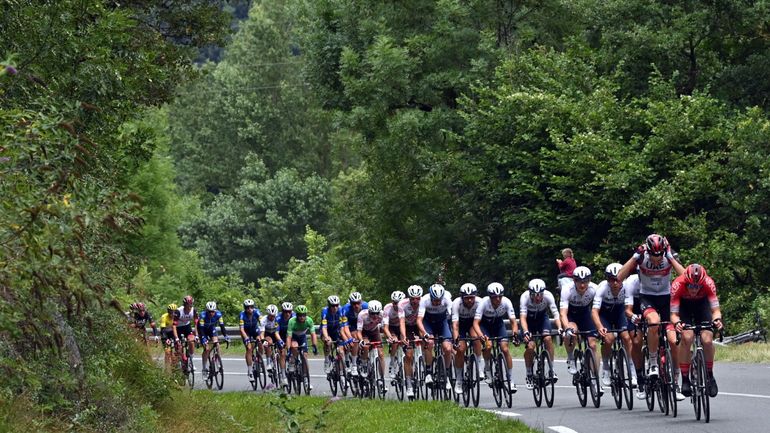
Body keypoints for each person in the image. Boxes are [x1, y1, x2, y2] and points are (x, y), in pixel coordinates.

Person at [617, 234, 686, 401]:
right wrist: (635, 257)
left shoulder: (668, 257)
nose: (656, 260)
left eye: (660, 255)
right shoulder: (641, 258)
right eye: (653, 256)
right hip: (647, 298)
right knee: (653, 323)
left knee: (673, 340)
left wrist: (670, 257)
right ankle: (653, 362)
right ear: (648, 251)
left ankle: (676, 382)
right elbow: (619, 277)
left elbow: (685, 277)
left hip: (666, 298)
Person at [671, 264, 723, 398]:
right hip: (684, 307)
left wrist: (717, 320)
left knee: (707, 339)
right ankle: (685, 379)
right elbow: (674, 314)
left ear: (702, 283)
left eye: (697, 286)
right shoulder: (677, 285)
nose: (693, 289)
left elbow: (715, 310)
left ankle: (710, 376)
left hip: (702, 305)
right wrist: (677, 323)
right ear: (685, 282)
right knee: (687, 338)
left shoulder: (708, 283)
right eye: (690, 286)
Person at [591, 263, 636, 388]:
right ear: (607, 279)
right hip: (605, 315)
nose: (615, 283)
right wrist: (600, 327)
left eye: (618, 279)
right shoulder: (602, 288)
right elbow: (594, 311)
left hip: (620, 312)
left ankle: (632, 371)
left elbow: (630, 308)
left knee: (627, 338)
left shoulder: (627, 287)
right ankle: (606, 367)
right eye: (611, 279)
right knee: (609, 338)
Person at [473, 282, 519, 393]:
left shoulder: (506, 302)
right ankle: (487, 368)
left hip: (498, 325)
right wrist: (481, 336)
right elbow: (475, 323)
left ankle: (510, 379)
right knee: (488, 346)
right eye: (494, 297)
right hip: (485, 326)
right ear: (490, 297)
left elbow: (513, 322)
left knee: (505, 349)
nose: (497, 299)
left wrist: (515, 335)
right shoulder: (484, 303)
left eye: (500, 296)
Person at [520, 278, 561, 390]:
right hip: (529, 321)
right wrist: (526, 331)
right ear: (530, 293)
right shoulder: (524, 297)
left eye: (540, 295)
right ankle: (529, 374)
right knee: (530, 346)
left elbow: (556, 314)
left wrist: (560, 327)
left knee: (547, 339)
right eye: (534, 295)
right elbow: (522, 318)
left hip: (542, 318)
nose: (537, 298)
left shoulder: (548, 295)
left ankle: (551, 370)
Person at [560, 266, 599, 379]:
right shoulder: (567, 289)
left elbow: (598, 309)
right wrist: (567, 328)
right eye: (579, 282)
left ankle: (595, 377)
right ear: (574, 280)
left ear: (589, 280)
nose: (582, 285)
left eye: (585, 282)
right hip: (571, 315)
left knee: (592, 344)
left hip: (585, 314)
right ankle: (571, 357)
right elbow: (563, 313)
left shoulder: (594, 289)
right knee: (572, 332)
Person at [417, 284, 454, 391]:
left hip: (442, 323)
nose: (437, 303)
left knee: (447, 348)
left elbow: (453, 318)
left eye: (439, 300)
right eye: (435, 300)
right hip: (428, 323)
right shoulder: (425, 300)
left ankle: (446, 374)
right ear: (431, 297)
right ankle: (428, 372)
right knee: (430, 342)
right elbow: (419, 320)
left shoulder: (447, 299)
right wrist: (424, 333)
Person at [451, 283, 483, 394]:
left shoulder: (480, 302)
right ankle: (459, 380)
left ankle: (479, 365)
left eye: (471, 298)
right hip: (460, 325)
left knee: (476, 338)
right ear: (462, 298)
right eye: (467, 298)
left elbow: (478, 323)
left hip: (473, 324)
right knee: (460, 349)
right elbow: (455, 325)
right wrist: (456, 340)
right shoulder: (456, 303)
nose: (469, 300)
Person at [285, 305, 318, 390]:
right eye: (300, 315)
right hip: (294, 337)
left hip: (302, 337)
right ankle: (292, 362)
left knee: (305, 356)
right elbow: (288, 337)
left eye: (304, 315)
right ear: (297, 315)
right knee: (294, 347)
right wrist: (289, 350)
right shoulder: (292, 321)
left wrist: (315, 345)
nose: (302, 317)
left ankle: (306, 379)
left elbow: (313, 334)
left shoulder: (309, 320)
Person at [356, 300, 386, 390]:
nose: (375, 316)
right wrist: (361, 340)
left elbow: (385, 328)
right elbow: (358, 332)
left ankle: (381, 379)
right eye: (372, 313)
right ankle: (364, 364)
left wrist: (388, 337)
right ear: (368, 311)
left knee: (381, 354)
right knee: (365, 346)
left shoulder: (382, 314)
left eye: (377, 313)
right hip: (364, 332)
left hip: (374, 332)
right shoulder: (362, 315)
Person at [399, 285, 423, 398]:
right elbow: (402, 322)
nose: (415, 301)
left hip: (418, 326)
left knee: (427, 343)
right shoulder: (402, 305)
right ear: (409, 298)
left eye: (417, 298)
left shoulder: (424, 303)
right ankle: (408, 384)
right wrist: (403, 336)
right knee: (408, 355)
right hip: (407, 327)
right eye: (412, 298)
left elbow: (424, 321)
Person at [340, 292, 368, 376]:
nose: (356, 305)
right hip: (351, 325)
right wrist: (349, 338)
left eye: (358, 303)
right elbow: (345, 327)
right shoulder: (346, 309)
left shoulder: (366, 306)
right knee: (354, 339)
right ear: (350, 303)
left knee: (365, 341)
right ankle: (354, 365)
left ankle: (364, 359)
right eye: (353, 303)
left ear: (361, 302)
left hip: (362, 325)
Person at [198, 301, 230, 375]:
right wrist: (203, 338)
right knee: (207, 349)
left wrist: (225, 336)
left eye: (212, 312)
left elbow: (222, 326)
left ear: (215, 311)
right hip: (203, 330)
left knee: (217, 344)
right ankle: (204, 367)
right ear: (206, 311)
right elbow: (201, 329)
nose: (211, 313)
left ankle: (218, 361)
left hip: (211, 329)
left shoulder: (218, 314)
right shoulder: (202, 316)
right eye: (209, 312)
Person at [320, 295, 346, 374]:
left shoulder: (341, 310)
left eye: (336, 305)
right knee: (328, 342)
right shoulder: (325, 311)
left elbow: (343, 326)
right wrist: (326, 337)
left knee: (341, 352)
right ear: (329, 305)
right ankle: (327, 360)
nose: (335, 307)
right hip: (327, 331)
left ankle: (342, 373)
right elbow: (324, 327)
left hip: (336, 331)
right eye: (333, 306)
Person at [383, 291, 406, 378]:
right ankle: (392, 363)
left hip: (402, 327)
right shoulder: (387, 308)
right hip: (391, 328)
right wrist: (390, 337)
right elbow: (385, 327)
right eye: (395, 303)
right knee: (395, 342)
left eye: (399, 303)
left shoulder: (406, 308)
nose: (396, 305)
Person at [258, 304, 284, 375]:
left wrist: (280, 341)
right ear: (267, 314)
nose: (272, 317)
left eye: (273, 316)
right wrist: (263, 341)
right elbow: (262, 334)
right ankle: (268, 363)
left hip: (276, 334)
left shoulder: (278, 318)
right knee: (268, 342)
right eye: (270, 315)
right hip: (267, 334)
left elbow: (278, 332)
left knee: (281, 350)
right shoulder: (264, 319)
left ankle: (279, 365)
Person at [172, 295, 198, 367]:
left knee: (191, 341)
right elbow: (173, 326)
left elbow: (196, 324)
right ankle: (179, 361)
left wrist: (197, 335)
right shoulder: (178, 311)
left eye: (190, 305)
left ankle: (191, 360)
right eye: (187, 305)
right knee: (179, 346)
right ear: (184, 305)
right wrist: (176, 338)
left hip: (187, 327)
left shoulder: (194, 310)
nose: (189, 307)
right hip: (178, 328)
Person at [239, 299, 261, 378]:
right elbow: (241, 329)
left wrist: (262, 334)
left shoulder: (257, 312)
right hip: (246, 332)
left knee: (260, 341)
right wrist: (246, 338)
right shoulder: (242, 315)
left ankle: (260, 359)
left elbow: (261, 322)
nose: (249, 309)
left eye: (251, 307)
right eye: (247, 308)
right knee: (249, 348)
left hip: (255, 330)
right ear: (245, 308)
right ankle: (250, 370)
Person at [276, 302, 295, 385]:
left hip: (291, 335)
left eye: (289, 311)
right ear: (282, 311)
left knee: (295, 347)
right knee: (283, 353)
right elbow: (276, 332)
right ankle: (283, 376)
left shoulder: (294, 316)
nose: (287, 313)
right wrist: (280, 341)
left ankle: (293, 363)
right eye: (285, 312)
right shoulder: (278, 318)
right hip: (281, 336)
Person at [159, 303, 179, 370]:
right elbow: (162, 330)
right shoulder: (164, 317)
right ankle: (167, 368)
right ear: (168, 312)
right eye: (171, 312)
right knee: (167, 352)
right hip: (165, 334)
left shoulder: (177, 317)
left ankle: (176, 365)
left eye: (174, 312)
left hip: (173, 333)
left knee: (178, 348)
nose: (172, 314)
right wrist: (166, 338)